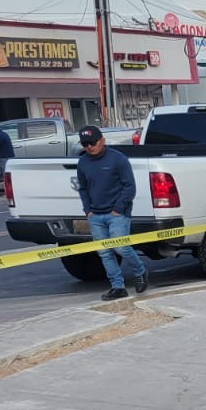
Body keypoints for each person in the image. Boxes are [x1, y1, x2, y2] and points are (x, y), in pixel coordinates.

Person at [75, 125, 149, 301]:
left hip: (117, 214)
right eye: (85, 144)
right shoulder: (83, 162)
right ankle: (117, 286)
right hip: (96, 215)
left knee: (121, 247)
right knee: (105, 252)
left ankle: (140, 271)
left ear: (102, 141)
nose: (89, 147)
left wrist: (119, 208)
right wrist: (88, 210)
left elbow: (129, 186)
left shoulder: (118, 159)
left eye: (92, 143)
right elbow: (83, 188)